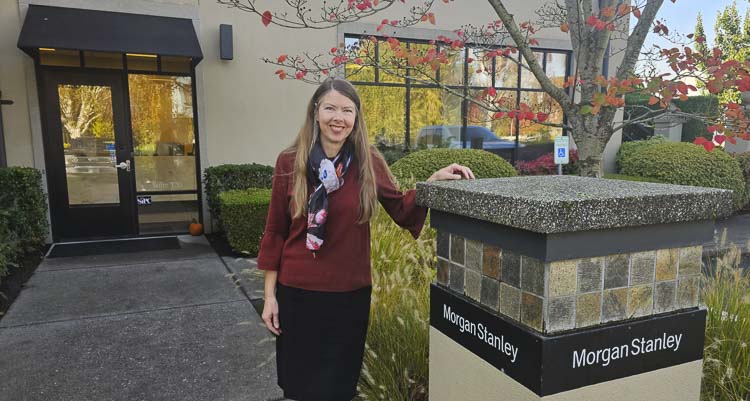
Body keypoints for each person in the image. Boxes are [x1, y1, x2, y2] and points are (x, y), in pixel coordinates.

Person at [257, 77, 474, 401]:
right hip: (298, 293)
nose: (338, 118)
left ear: (356, 117)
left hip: (348, 296)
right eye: (330, 108)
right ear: (316, 111)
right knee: (300, 387)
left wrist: (432, 183)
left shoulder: (367, 161)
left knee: (340, 387)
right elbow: (276, 229)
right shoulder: (290, 161)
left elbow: (401, 208)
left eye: (347, 110)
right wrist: (270, 296)